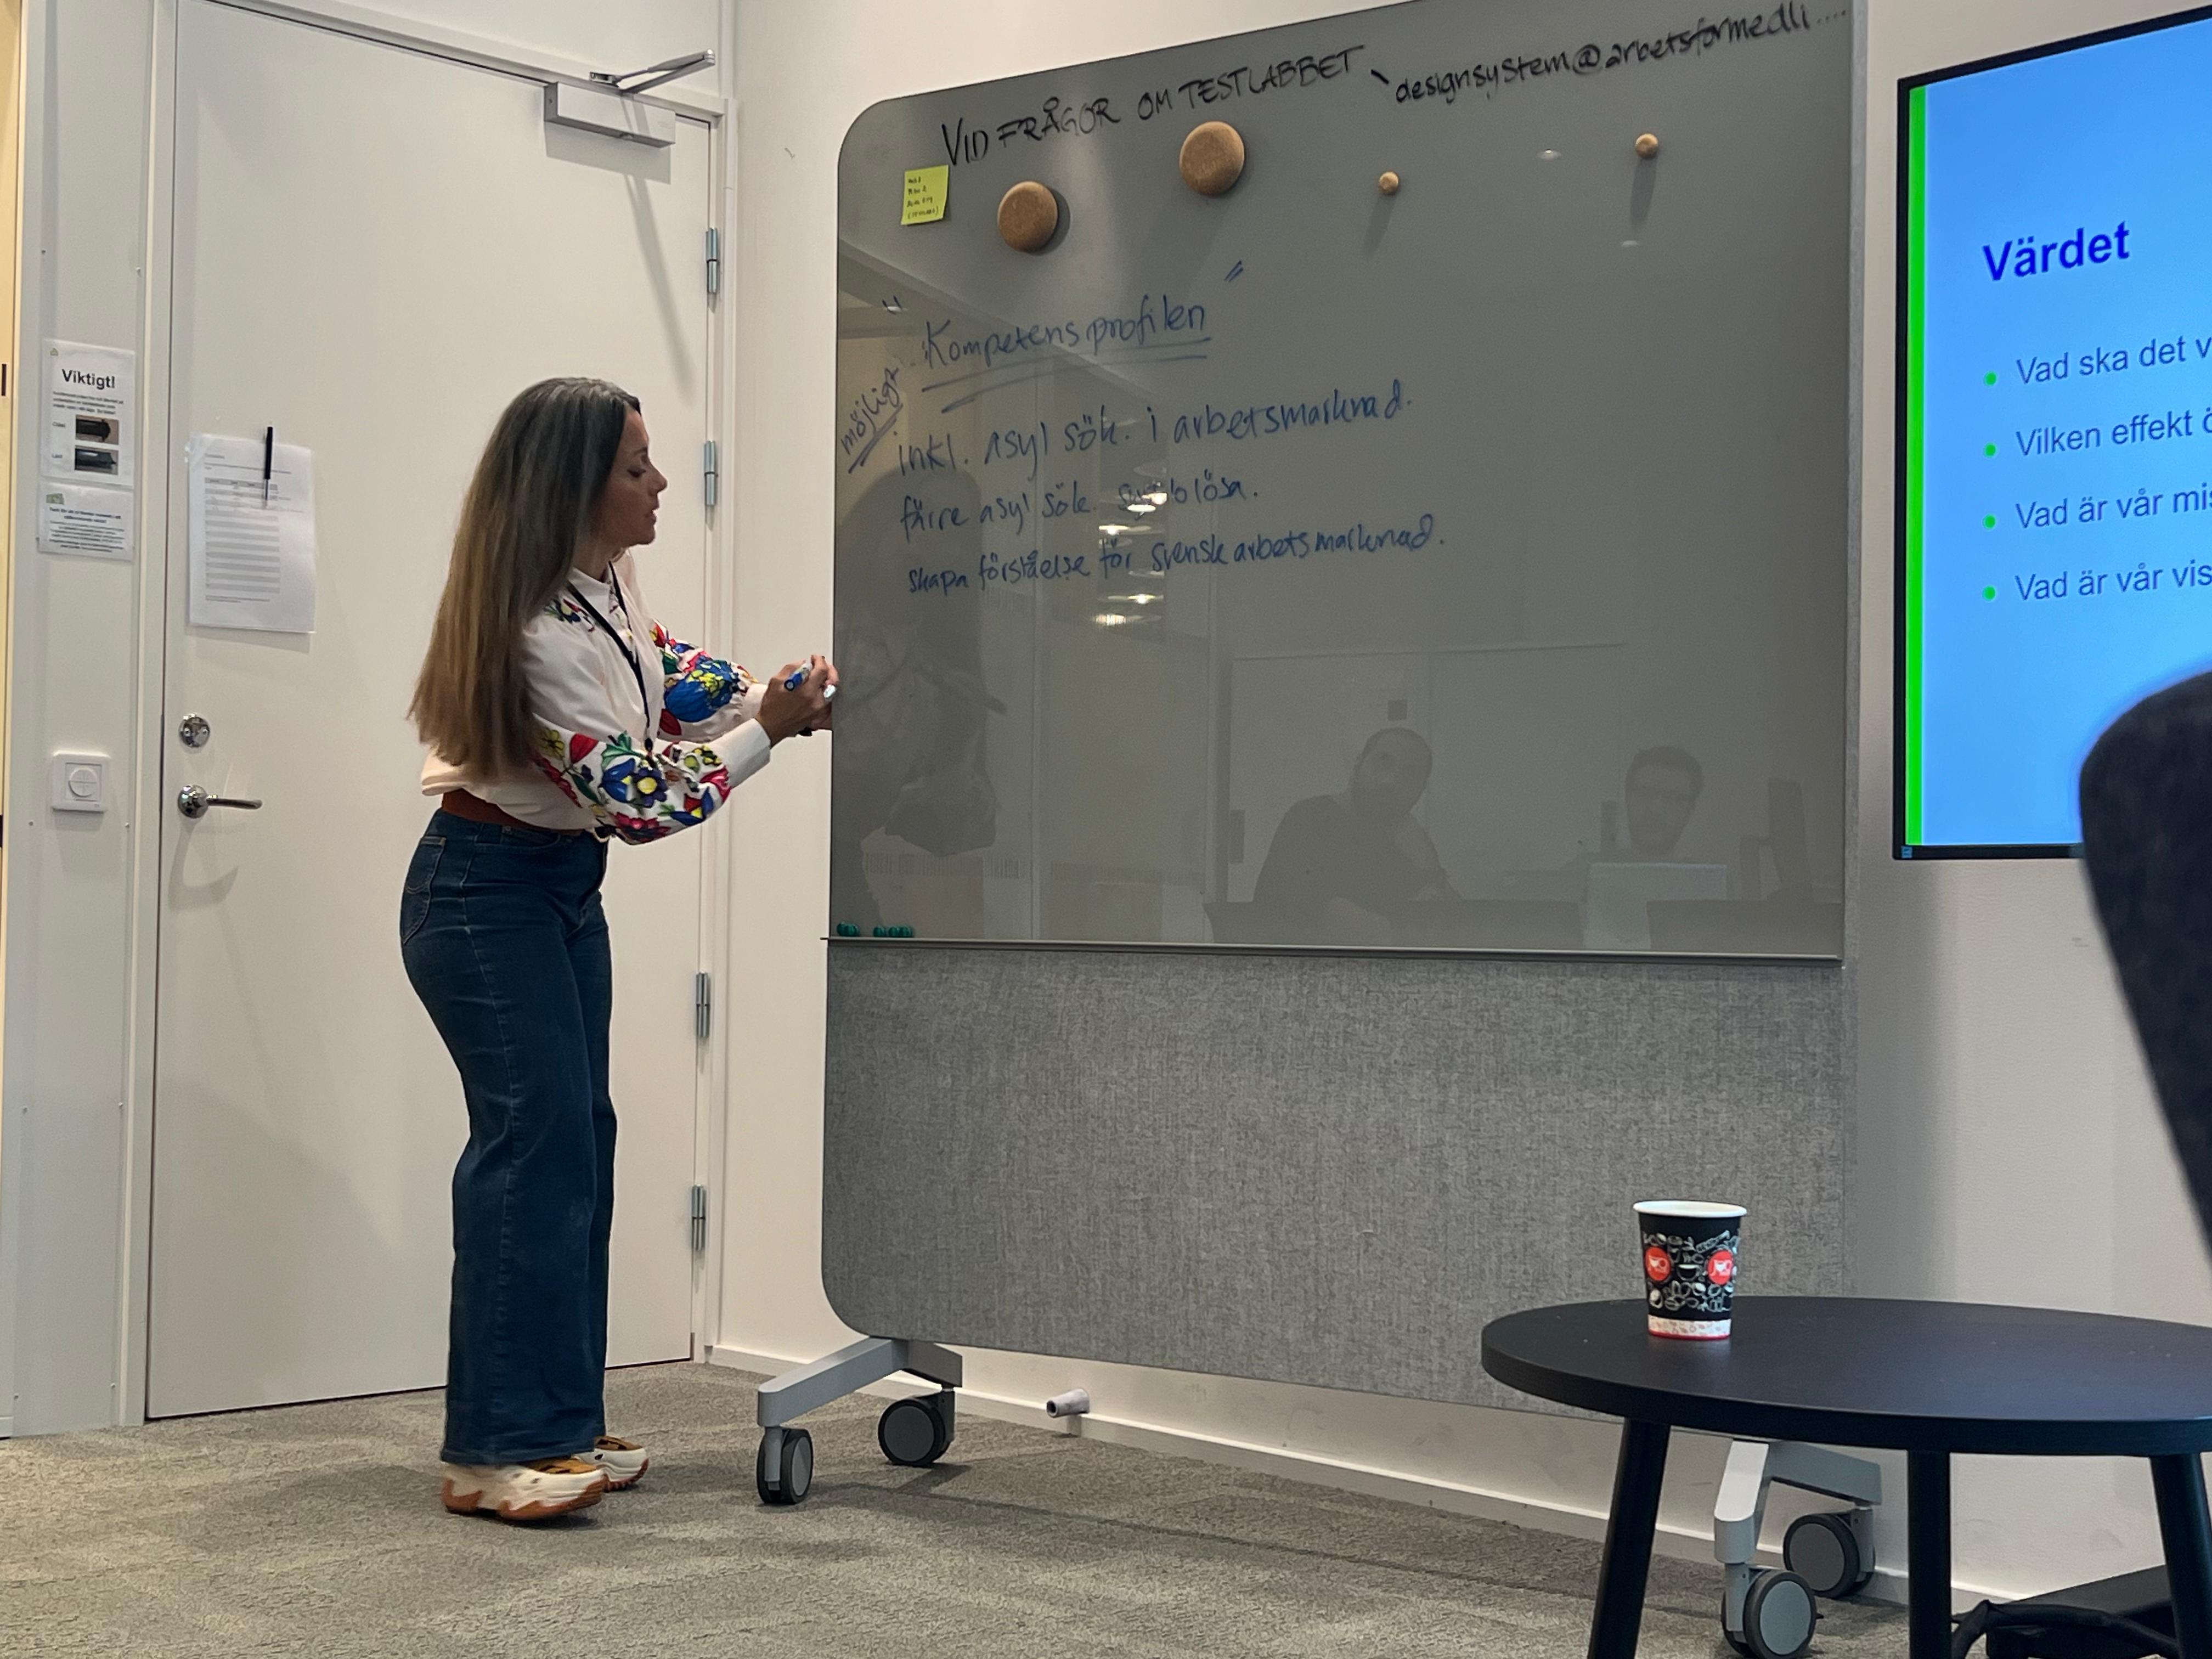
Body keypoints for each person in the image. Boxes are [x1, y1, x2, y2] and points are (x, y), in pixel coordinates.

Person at [402, 378, 834, 1523]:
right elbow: (641, 798)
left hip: (551, 888)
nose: (655, 487)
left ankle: (558, 1422)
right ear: (576, 485)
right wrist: (767, 737)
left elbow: (664, 675)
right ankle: (495, 1449)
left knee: (575, 1145)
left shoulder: (600, 587)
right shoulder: (529, 626)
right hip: (483, 893)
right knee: (531, 1150)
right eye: (636, 468)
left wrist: (761, 693)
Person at [1253, 727, 1455, 944]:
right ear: (1358, 764)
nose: (1390, 781)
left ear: (1420, 790)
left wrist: (1428, 865)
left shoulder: (1409, 841)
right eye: (1382, 763)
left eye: (1409, 774)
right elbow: (1309, 912)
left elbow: (1455, 927)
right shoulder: (1311, 818)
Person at [1621, 744, 1705, 858]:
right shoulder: (1591, 873)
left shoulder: (1705, 876)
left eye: (1671, 798)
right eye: (1646, 794)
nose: (1655, 809)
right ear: (1628, 799)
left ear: (1689, 811)